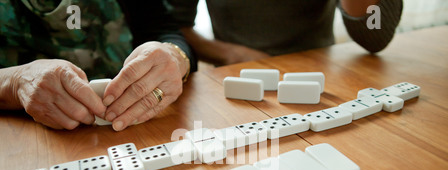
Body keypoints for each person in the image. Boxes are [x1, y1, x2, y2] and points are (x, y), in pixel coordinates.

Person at [0, 0, 197, 131]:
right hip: (28, 133)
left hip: (133, 126)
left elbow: (164, 30)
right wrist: (15, 81)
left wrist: (175, 56)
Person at [169, 0, 403, 66]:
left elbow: (375, 35)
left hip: (323, 79)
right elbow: (172, 27)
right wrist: (232, 54)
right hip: (241, 77)